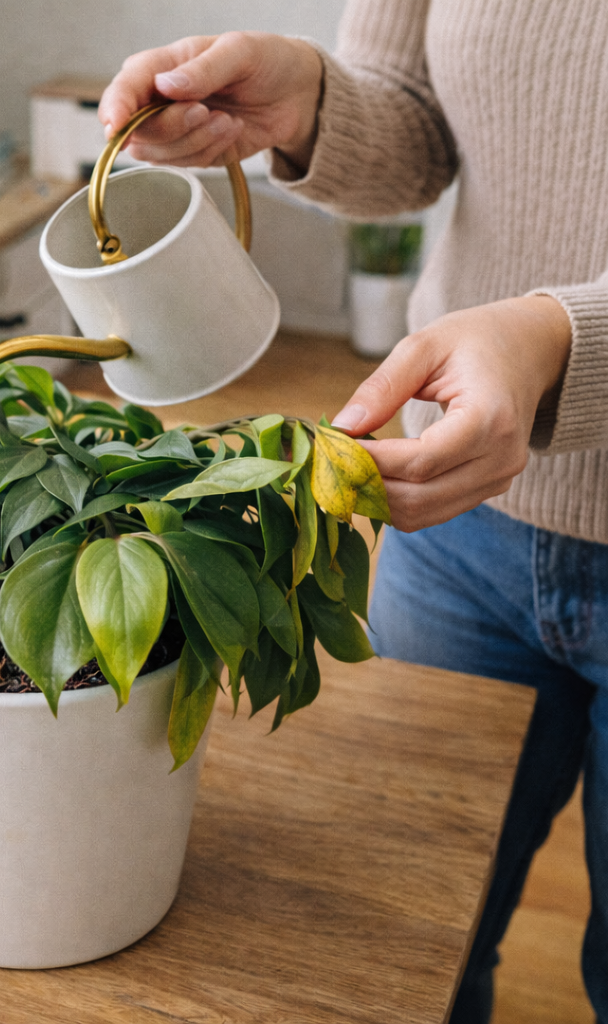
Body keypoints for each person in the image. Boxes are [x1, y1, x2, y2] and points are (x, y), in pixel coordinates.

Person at [99, 3, 608, 1022]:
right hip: (453, 524)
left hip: (484, 442)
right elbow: (420, 127)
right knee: (405, 954)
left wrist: (558, 340)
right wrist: (310, 102)